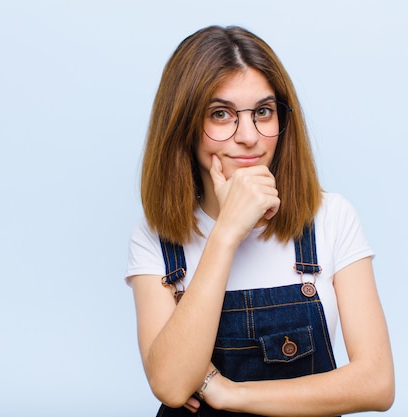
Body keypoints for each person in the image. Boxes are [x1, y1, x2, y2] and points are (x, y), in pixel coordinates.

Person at [125, 25, 394, 416]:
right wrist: (227, 233)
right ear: (182, 126)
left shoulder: (330, 218)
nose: (249, 136)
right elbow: (170, 384)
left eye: (263, 112)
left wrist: (233, 394)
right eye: (221, 114)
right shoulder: (154, 237)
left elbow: (377, 384)